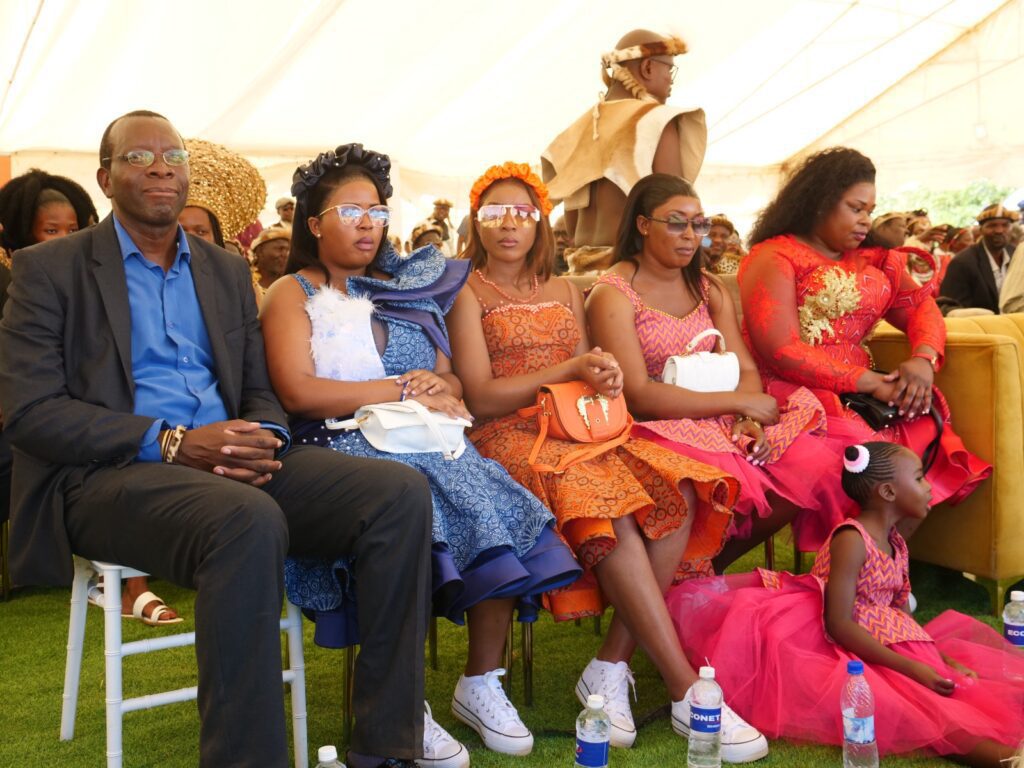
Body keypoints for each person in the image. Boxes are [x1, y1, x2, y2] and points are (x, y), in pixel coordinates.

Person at [0, 110, 433, 768]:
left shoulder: (224, 271)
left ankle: (387, 747)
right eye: (138, 158)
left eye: (172, 156)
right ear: (104, 177)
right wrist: (173, 442)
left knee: (396, 493)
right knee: (244, 519)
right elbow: (30, 412)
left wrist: (259, 437)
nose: (160, 167)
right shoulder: (49, 270)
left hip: (224, 465)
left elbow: (259, 389)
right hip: (104, 476)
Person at [259, 145, 580, 763]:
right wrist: (404, 389)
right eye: (349, 210)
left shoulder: (406, 288)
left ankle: (481, 681)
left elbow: (449, 379)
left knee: (496, 498)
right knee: (420, 501)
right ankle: (402, 700)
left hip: (424, 439)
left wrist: (441, 386)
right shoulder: (289, 293)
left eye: (376, 211)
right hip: (340, 445)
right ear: (314, 221)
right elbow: (299, 392)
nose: (367, 223)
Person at [447, 161, 769, 762]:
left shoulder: (567, 288)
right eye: (495, 213)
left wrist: (602, 373)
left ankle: (608, 668)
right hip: (510, 435)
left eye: (522, 211)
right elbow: (481, 394)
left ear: (540, 220)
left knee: (680, 483)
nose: (509, 225)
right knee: (611, 510)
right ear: (476, 221)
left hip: (582, 425)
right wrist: (571, 370)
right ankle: (685, 689)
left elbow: (592, 376)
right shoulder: (465, 290)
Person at [666, 442, 1024, 765]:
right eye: (919, 478)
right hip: (848, 646)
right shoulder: (852, 540)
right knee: (924, 709)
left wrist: (940, 657)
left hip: (897, 642)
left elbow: (899, 610)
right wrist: (910, 668)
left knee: (969, 688)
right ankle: (1007, 760)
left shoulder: (896, 541)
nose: (929, 487)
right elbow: (838, 623)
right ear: (887, 491)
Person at [586, 174, 841, 566]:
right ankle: (687, 576)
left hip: (722, 417)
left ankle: (709, 565)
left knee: (812, 463)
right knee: (703, 473)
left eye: (698, 224)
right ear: (642, 225)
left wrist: (746, 417)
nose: (691, 235)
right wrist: (741, 402)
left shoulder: (708, 288)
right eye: (676, 222)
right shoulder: (614, 293)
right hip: (651, 426)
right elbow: (638, 394)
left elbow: (744, 367)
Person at [740, 147, 990, 540]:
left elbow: (922, 307)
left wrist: (923, 359)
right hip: (794, 390)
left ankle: (880, 571)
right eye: (856, 208)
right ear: (820, 201)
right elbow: (780, 349)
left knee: (923, 427)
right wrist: (868, 382)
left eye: (870, 210)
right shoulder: (775, 255)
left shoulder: (876, 259)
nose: (865, 221)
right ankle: (853, 572)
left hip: (859, 391)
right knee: (874, 457)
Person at [541, 29, 707, 275]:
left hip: (581, 273)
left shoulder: (577, 132)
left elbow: (572, 224)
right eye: (669, 69)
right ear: (648, 67)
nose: (671, 79)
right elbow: (679, 211)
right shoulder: (654, 119)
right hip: (636, 277)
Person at [178, 137, 267, 251]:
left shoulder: (228, 268)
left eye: (201, 232)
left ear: (216, 236)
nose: (190, 238)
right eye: (181, 230)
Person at [938, 204, 1020, 315]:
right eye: (992, 226)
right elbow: (947, 305)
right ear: (981, 230)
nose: (999, 230)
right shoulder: (962, 262)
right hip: (981, 329)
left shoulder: (1017, 254)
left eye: (1005, 225)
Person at [250, 226, 291, 294]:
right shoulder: (246, 281)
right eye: (280, 249)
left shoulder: (292, 284)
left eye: (287, 250)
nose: (285, 255)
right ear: (260, 251)